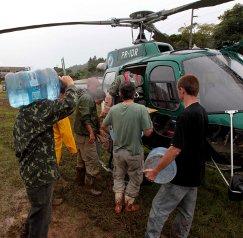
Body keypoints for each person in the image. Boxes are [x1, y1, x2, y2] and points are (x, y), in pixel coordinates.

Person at [144, 74, 208, 238]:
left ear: (182, 90)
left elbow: (175, 149)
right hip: (196, 174)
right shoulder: (202, 111)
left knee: (159, 208)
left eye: (178, 90)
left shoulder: (185, 116)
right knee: (186, 213)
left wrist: (155, 170)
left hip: (181, 175)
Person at [13, 76, 77, 238]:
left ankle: (26, 233)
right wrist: (70, 84)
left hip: (31, 171)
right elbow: (69, 104)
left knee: (38, 208)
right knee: (42, 216)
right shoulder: (39, 109)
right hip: (40, 174)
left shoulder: (26, 109)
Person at [101, 81, 153, 214]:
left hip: (118, 151)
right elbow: (147, 132)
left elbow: (104, 126)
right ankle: (129, 204)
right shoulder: (141, 109)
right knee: (135, 178)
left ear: (120, 94)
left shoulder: (113, 109)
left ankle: (118, 204)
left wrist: (113, 136)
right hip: (134, 152)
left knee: (118, 176)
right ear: (134, 93)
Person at [74, 78, 106, 196]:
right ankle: (89, 187)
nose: (97, 88)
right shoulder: (87, 98)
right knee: (92, 160)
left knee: (82, 158)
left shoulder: (87, 97)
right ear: (90, 85)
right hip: (85, 136)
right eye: (96, 86)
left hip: (82, 134)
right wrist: (92, 133)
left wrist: (97, 131)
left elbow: (91, 118)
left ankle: (79, 181)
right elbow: (86, 118)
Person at [53, 85, 77, 166]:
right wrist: (73, 150)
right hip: (53, 150)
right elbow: (66, 133)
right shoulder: (60, 108)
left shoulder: (47, 102)